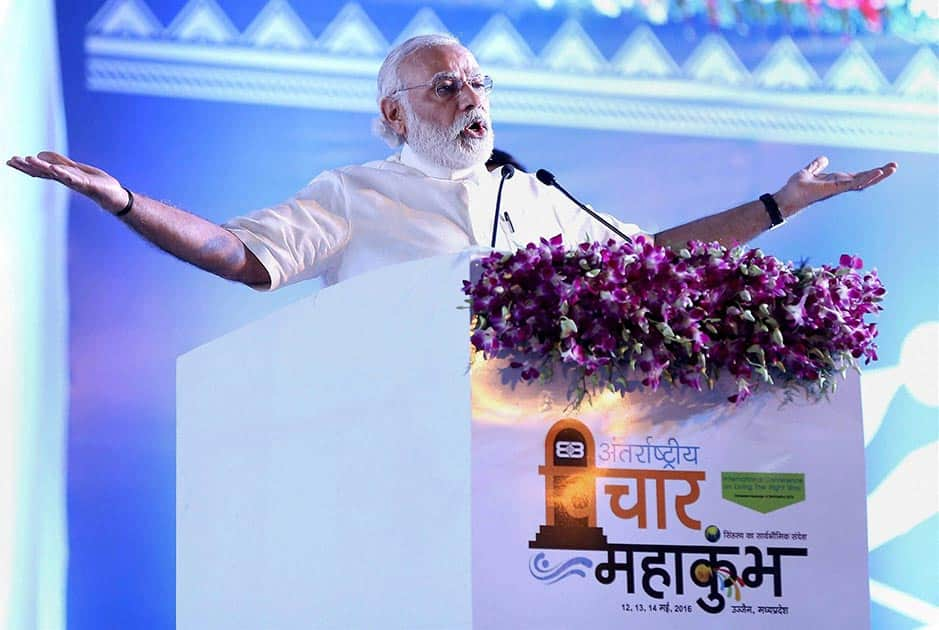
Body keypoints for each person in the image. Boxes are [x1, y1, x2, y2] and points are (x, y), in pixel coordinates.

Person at [7, 34, 896, 290]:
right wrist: (124, 199)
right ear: (393, 114)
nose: (469, 97)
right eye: (444, 87)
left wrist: (776, 207)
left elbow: (652, 258)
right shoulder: (352, 194)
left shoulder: (534, 193)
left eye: (476, 82)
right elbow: (241, 256)